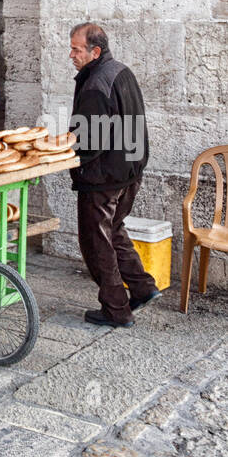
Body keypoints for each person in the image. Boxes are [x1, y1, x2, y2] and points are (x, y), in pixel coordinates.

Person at [68, 22, 160, 328]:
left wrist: (67, 156)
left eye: (76, 49)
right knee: (114, 229)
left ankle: (116, 310)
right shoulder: (121, 70)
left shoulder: (96, 84)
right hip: (130, 170)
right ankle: (143, 288)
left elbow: (89, 141)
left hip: (104, 177)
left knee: (96, 243)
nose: (71, 54)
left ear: (95, 51)